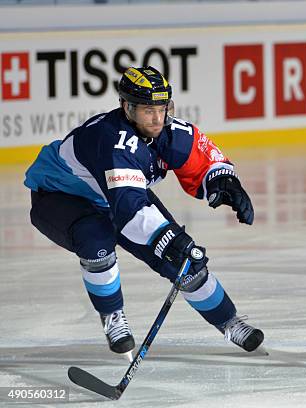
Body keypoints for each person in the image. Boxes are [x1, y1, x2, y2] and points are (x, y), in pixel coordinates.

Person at [24, 66, 264, 360]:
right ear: (127, 107)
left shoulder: (167, 130)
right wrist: (174, 242)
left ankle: (229, 321)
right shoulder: (110, 139)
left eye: (162, 108)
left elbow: (202, 160)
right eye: (148, 110)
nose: (157, 117)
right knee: (97, 242)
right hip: (61, 197)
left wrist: (225, 182)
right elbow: (129, 211)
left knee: (184, 263)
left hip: (115, 195)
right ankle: (112, 317)